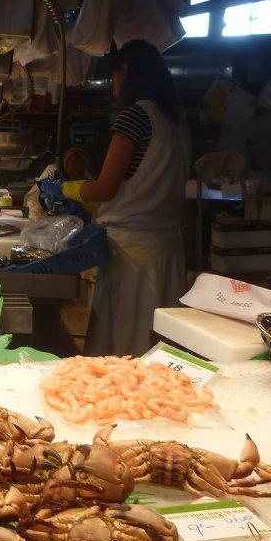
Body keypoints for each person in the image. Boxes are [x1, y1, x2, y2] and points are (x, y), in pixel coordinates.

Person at [40, 39, 190, 358]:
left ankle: (119, 405)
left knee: (125, 345)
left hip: (132, 254)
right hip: (167, 249)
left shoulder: (135, 117)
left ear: (126, 72)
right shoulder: (177, 121)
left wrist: (63, 188)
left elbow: (105, 188)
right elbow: (142, 185)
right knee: (157, 343)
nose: (113, 89)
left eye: (113, 79)